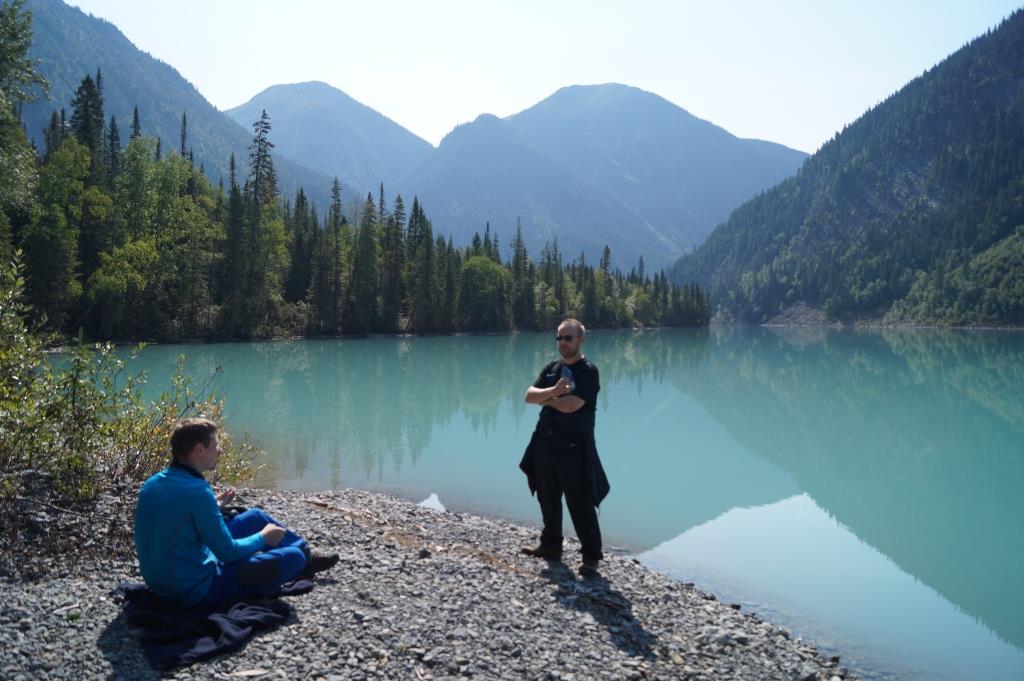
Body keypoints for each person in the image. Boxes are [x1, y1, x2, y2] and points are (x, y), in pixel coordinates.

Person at [134, 418, 338, 609]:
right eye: (216, 445)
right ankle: (303, 559)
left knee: (255, 516)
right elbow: (227, 552)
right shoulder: (198, 492)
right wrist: (263, 538)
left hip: (162, 583)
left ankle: (307, 556)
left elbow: (177, 520)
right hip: (194, 591)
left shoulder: (153, 483)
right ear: (199, 450)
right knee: (294, 558)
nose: (220, 450)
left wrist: (213, 507)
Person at [520, 318, 610, 577]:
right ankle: (551, 546)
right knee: (547, 497)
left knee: (579, 503)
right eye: (559, 338)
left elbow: (571, 405)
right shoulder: (552, 368)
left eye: (568, 338)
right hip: (544, 443)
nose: (562, 343)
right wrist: (553, 392)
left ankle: (591, 558)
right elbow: (529, 396)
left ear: (581, 339)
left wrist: (546, 398)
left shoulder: (588, 371)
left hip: (574, 448)